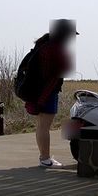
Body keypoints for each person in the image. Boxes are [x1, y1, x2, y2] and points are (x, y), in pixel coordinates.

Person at [25, 19, 77, 168]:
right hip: (48, 91)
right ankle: (45, 159)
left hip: (38, 91)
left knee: (40, 125)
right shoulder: (55, 48)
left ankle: (44, 157)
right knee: (44, 127)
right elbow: (63, 68)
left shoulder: (42, 45)